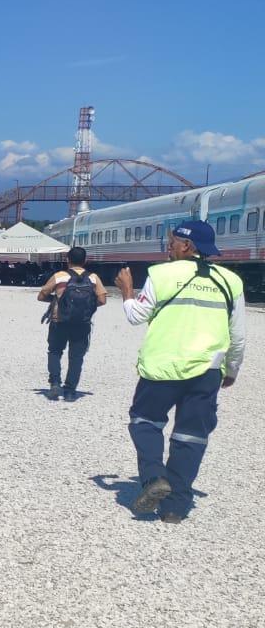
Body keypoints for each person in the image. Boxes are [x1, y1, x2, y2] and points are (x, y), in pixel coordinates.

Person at [115, 219, 245, 523]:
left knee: (145, 422)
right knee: (192, 435)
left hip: (162, 367)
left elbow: (136, 316)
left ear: (186, 246)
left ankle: (154, 477)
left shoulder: (161, 274)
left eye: (172, 242)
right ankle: (175, 507)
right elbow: (238, 335)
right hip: (208, 370)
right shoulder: (231, 281)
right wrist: (232, 370)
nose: (169, 247)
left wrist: (127, 291)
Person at [37, 246, 106, 400]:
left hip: (59, 321)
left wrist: (57, 300)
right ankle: (70, 391)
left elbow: (41, 296)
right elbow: (102, 300)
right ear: (85, 260)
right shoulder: (93, 278)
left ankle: (55, 384)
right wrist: (87, 307)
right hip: (82, 323)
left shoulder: (59, 276)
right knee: (76, 357)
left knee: (55, 352)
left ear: (67, 260)